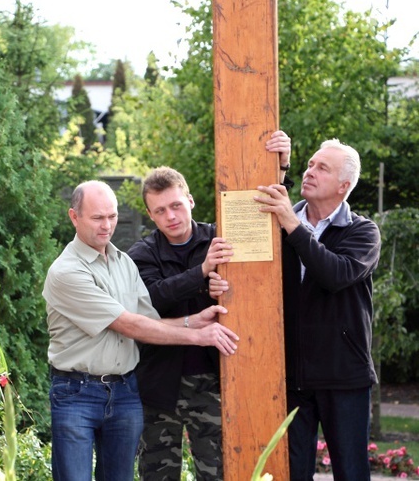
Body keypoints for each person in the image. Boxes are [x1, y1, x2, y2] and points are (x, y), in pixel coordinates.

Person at [42, 180, 240, 481]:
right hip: (78, 393)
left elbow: (147, 318)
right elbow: (128, 324)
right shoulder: (67, 272)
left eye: (112, 216)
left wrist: (193, 320)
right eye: (97, 218)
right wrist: (198, 335)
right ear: (74, 217)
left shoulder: (122, 262)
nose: (106, 225)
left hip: (125, 392)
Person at [127, 131, 291, 481]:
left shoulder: (222, 236)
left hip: (214, 379)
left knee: (217, 472)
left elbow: (264, 238)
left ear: (190, 200)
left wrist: (281, 168)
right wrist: (202, 273)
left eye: (175, 205)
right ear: (150, 214)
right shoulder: (141, 253)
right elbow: (151, 298)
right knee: (156, 474)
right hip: (159, 381)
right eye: (160, 210)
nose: (170, 215)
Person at [254, 138, 381, 480]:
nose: (310, 171)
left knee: (351, 472)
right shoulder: (275, 225)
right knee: (292, 473)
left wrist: (292, 226)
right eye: (309, 164)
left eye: (322, 168)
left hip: (344, 375)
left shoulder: (363, 232)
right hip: (291, 375)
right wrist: (279, 168)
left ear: (344, 186)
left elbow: (335, 274)